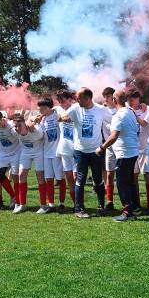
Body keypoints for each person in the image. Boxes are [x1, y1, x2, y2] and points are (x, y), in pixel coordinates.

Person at [58, 87, 113, 218]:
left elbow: (113, 121)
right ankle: (79, 209)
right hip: (80, 151)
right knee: (80, 179)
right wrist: (64, 118)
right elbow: (62, 117)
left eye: (79, 98)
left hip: (96, 151)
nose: (76, 100)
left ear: (87, 99)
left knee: (98, 179)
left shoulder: (101, 110)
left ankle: (101, 206)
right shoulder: (76, 108)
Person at [97, 88, 141, 221]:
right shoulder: (130, 112)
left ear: (115, 100)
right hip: (132, 152)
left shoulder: (119, 115)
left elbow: (114, 136)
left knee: (122, 183)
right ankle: (134, 208)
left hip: (124, 153)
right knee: (129, 182)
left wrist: (102, 147)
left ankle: (127, 212)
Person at [12, 111, 45, 214]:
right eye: (15, 126)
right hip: (25, 152)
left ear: (25, 124)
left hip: (39, 153)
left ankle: (43, 205)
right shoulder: (14, 131)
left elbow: (43, 134)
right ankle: (22, 205)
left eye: (19, 126)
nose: (17, 128)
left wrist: (34, 122)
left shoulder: (36, 131)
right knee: (21, 174)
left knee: (40, 175)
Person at [38, 96, 64, 213]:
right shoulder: (42, 120)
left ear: (49, 107)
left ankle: (62, 203)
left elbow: (59, 108)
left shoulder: (56, 113)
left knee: (60, 178)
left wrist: (57, 110)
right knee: (48, 179)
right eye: (40, 107)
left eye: (42, 107)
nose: (40, 110)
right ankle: (51, 203)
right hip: (46, 153)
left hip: (57, 152)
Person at [55, 89, 77, 211]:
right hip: (64, 149)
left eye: (63, 100)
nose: (61, 103)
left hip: (77, 149)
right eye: (59, 101)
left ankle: (79, 204)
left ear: (70, 99)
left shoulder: (77, 108)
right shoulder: (58, 109)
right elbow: (46, 111)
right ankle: (75, 205)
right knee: (69, 179)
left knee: (77, 178)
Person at [101, 87, 118, 210]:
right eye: (105, 96)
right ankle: (110, 201)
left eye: (108, 96)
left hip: (122, 146)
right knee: (110, 174)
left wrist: (143, 105)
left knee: (124, 175)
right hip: (109, 147)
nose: (106, 98)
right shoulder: (102, 110)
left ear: (114, 96)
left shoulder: (121, 108)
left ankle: (128, 202)